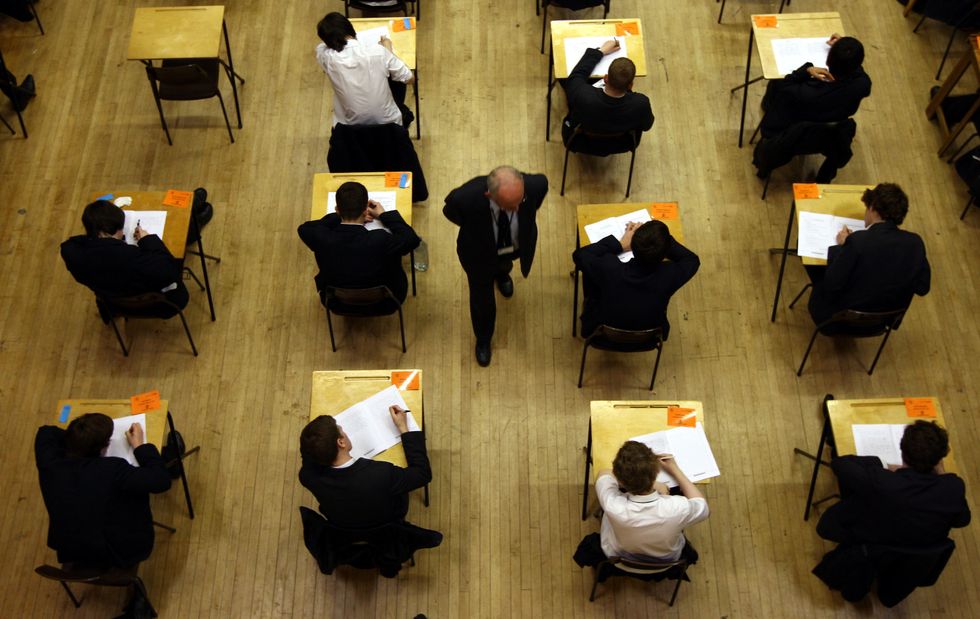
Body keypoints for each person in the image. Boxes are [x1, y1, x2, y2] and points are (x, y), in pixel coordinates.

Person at [443, 166, 549, 366]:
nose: (517, 209)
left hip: (514, 246)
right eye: (510, 206)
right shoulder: (465, 198)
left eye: (520, 201)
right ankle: (483, 339)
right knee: (481, 300)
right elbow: (451, 213)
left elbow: (538, 196)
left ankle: (502, 274)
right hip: (479, 254)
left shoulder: (536, 185)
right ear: (488, 195)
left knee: (505, 264)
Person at [35, 414, 172, 568]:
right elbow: (161, 480)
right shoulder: (112, 470)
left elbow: (45, 431)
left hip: (73, 550)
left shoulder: (49, 463)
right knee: (142, 484)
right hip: (119, 551)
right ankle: (171, 459)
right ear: (102, 447)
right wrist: (139, 446)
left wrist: (80, 439)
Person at [817, 420, 971, 546]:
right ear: (939, 459)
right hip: (911, 552)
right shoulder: (954, 487)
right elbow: (962, 520)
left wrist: (885, 465)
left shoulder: (882, 481)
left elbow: (840, 464)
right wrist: (942, 474)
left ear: (902, 451)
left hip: (874, 538)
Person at [573, 441, 709, 572]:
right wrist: (674, 469)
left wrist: (638, 478)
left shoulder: (613, 505)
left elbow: (604, 474)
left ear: (620, 481)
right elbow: (702, 506)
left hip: (619, 558)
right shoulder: (678, 507)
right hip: (666, 562)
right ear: (656, 473)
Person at [806, 183, 930, 325]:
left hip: (839, 320)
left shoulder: (858, 241)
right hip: (883, 321)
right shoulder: (915, 243)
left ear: (872, 208)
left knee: (814, 262)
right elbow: (922, 288)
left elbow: (831, 284)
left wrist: (842, 247)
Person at [299, 406, 431, 528]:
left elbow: (307, 454)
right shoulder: (381, 474)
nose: (345, 432)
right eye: (342, 430)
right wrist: (403, 428)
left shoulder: (307, 476)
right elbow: (422, 474)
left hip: (343, 528)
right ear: (341, 442)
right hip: (387, 523)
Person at [297, 181, 421, 304]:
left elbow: (303, 228)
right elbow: (412, 239)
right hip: (385, 301)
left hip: (337, 302)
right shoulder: (380, 239)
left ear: (337, 209)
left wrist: (337, 217)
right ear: (365, 211)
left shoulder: (320, 237)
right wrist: (384, 215)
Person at [61, 199, 189, 318]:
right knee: (178, 257)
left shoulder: (70, 252)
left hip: (113, 304)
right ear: (109, 230)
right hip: (156, 305)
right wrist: (147, 240)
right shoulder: (129, 257)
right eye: (121, 229)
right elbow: (169, 269)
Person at [572, 219, 699, 338]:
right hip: (649, 337)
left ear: (632, 244)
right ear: (664, 253)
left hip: (600, 334)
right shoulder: (669, 274)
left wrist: (620, 245)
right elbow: (692, 260)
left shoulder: (609, 268)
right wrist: (661, 240)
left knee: (590, 277)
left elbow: (580, 255)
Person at [315, 12, 415, 128]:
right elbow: (410, 78)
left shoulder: (326, 57)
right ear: (350, 29)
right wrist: (388, 50)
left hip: (349, 129)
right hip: (389, 126)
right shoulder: (379, 52)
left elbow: (321, 47)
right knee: (396, 80)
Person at [760, 34, 872, 138]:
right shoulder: (863, 85)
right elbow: (858, 72)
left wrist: (807, 70)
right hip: (829, 126)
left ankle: (766, 106)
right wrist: (846, 54)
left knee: (775, 82)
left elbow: (783, 87)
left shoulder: (807, 92)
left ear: (828, 60)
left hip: (793, 128)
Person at [561, 39, 654, 149]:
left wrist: (601, 51)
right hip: (621, 144)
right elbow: (646, 126)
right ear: (630, 85)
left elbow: (575, 77)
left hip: (580, 142)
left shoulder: (584, 95)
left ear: (605, 78)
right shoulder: (641, 104)